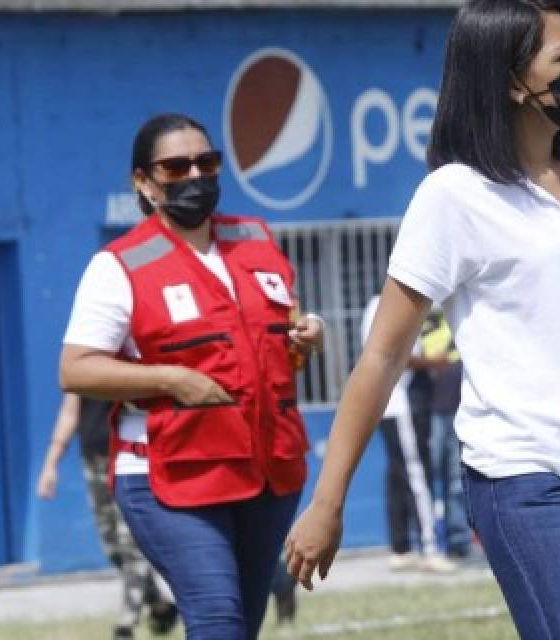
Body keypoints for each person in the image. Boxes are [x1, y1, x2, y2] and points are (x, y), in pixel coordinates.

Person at [284, 0, 560, 640]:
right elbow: (381, 355)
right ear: (514, 82)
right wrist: (328, 500)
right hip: (521, 478)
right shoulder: (453, 196)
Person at [60, 113, 325, 640]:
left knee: (239, 627)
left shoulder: (255, 240)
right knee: (217, 620)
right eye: (176, 166)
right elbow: (75, 368)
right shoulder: (119, 265)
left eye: (207, 162)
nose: (195, 176)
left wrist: (306, 337)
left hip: (267, 471)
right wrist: (171, 380)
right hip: (168, 475)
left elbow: (276, 340)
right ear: (144, 181)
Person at [36, 393, 178, 640]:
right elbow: (70, 412)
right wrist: (51, 465)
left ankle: (126, 624)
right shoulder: (82, 359)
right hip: (94, 461)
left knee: (131, 544)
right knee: (112, 547)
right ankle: (159, 604)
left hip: (132, 459)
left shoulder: (130, 356)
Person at [362, 296, 456, 573]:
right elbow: (391, 355)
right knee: (416, 473)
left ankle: (401, 547)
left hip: (391, 401)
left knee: (399, 473)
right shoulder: (391, 304)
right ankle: (430, 547)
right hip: (401, 400)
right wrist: (433, 362)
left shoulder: (377, 305)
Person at [420, 309, 474, 557]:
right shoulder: (423, 323)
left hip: (458, 411)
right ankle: (428, 540)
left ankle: (458, 540)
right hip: (429, 411)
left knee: (455, 481)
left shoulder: (463, 318)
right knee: (426, 478)